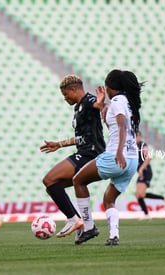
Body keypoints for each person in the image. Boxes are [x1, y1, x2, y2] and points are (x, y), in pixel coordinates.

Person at [72, 69, 143, 246]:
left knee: (78, 181)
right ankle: (114, 236)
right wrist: (101, 103)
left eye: (107, 85)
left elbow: (121, 124)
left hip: (116, 157)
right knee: (109, 200)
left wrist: (118, 151)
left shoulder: (118, 101)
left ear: (112, 87)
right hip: (132, 161)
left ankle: (88, 227)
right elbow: (111, 118)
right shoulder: (128, 102)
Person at [40, 75, 106, 238]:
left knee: (48, 179)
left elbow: (98, 105)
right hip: (84, 152)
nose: (65, 99)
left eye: (65, 95)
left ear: (74, 89)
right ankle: (83, 225)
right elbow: (81, 137)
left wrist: (101, 103)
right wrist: (59, 144)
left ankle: (73, 219)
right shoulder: (78, 108)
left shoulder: (89, 100)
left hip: (91, 154)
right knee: (52, 186)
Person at [135, 131, 165, 220]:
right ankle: (147, 214)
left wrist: (141, 168)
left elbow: (148, 157)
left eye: (136, 136)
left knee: (140, 194)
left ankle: (162, 199)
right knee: (138, 194)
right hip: (142, 172)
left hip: (146, 171)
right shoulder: (134, 146)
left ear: (139, 136)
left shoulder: (142, 145)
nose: (134, 138)